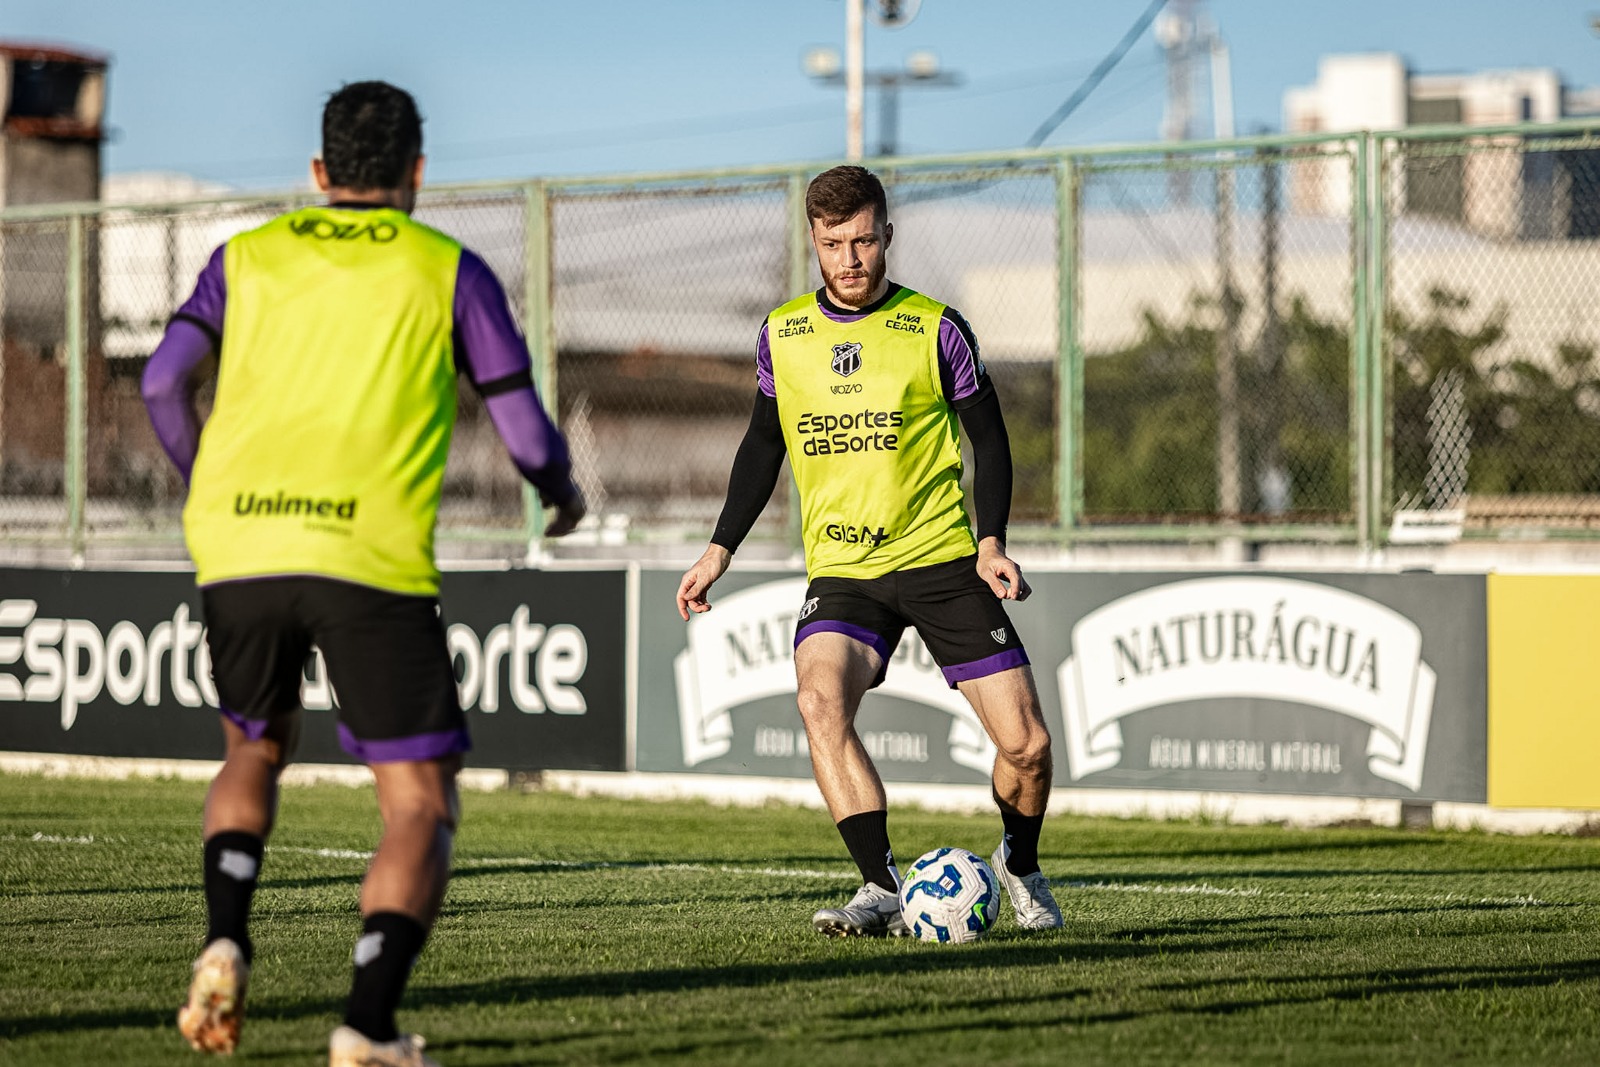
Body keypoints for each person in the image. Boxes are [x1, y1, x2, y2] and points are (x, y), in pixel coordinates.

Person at [142, 81, 584, 1067]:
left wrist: (206, 481)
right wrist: (562, 493)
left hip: (239, 544)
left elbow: (162, 381)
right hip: (367, 557)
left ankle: (225, 939)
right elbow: (524, 432)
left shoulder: (244, 257)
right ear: (416, 171)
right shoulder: (447, 268)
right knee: (418, 801)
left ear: (319, 171)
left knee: (253, 745)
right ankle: (368, 1025)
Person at [675, 165, 1062, 938]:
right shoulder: (783, 334)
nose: (849, 259)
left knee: (1028, 744)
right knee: (818, 700)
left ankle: (1018, 862)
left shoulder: (936, 328)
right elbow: (763, 443)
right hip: (845, 571)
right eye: (832, 244)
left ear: (886, 233)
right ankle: (881, 885)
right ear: (813, 242)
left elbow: (988, 438)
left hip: (941, 558)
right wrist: (719, 548)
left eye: (861, 240)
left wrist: (990, 541)